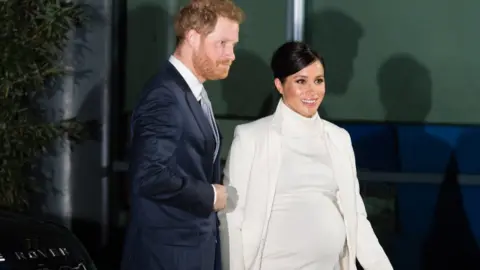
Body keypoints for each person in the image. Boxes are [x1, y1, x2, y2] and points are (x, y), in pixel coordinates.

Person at [219, 41, 393, 270]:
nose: (312, 91)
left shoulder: (338, 139)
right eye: (301, 81)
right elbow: (231, 217)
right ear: (280, 85)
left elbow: (357, 218)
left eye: (318, 81)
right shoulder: (251, 138)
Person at [121, 1, 244, 270]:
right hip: (168, 255)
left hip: (188, 250)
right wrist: (211, 196)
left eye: (233, 45)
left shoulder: (189, 92)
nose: (231, 54)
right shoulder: (165, 95)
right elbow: (149, 176)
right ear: (192, 36)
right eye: (222, 43)